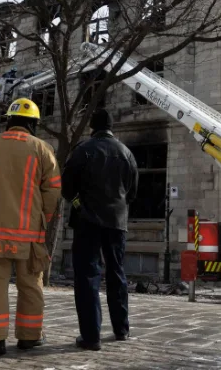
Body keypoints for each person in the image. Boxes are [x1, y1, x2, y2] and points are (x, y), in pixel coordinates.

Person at [0, 98, 61, 357]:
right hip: (28, 235)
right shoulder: (42, 148)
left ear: (9, 121)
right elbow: (53, 190)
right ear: (33, 124)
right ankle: (30, 337)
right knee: (30, 284)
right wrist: (44, 219)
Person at [62, 108, 138, 351]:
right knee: (117, 273)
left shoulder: (83, 150)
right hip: (117, 222)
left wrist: (78, 203)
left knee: (87, 276)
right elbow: (132, 191)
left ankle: (91, 335)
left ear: (92, 128)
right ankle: (121, 329)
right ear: (112, 127)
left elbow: (67, 187)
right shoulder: (126, 153)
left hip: (88, 221)